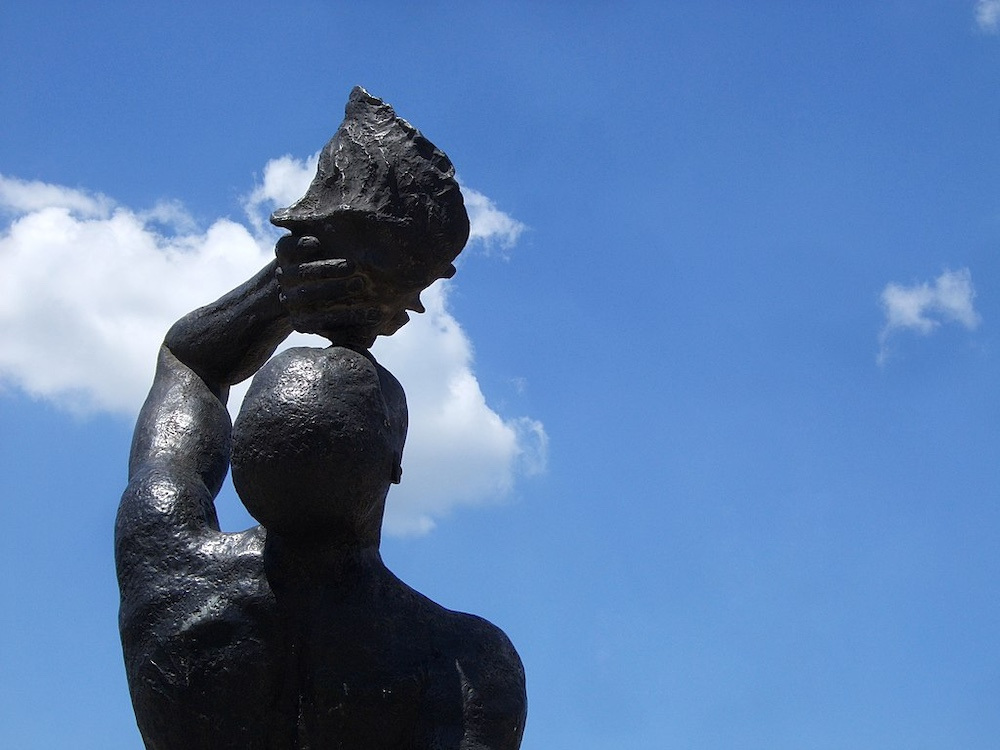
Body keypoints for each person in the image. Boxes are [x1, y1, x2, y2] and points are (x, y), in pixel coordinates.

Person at [115, 236, 526, 749]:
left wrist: (288, 282)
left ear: (238, 449)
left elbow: (188, 364)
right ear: (394, 465)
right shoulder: (463, 661)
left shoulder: (166, 564)